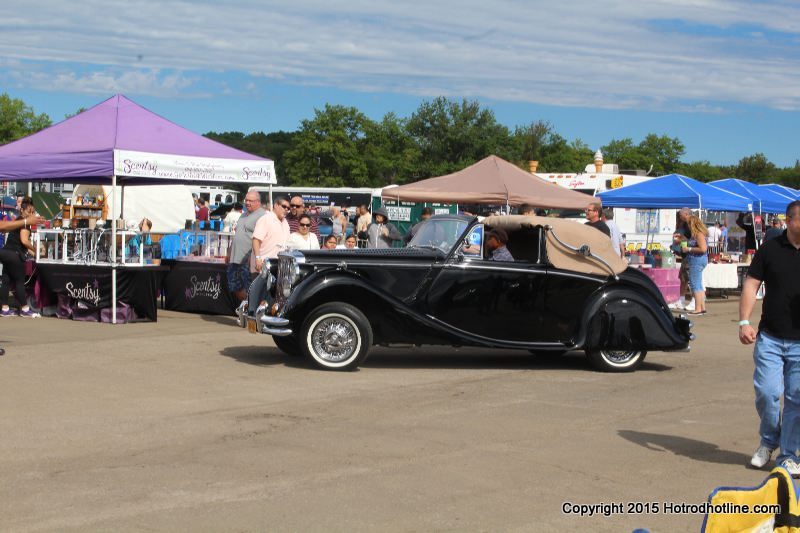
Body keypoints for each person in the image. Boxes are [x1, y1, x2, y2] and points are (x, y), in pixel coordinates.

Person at [739, 200, 800, 475]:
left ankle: (788, 455)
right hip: (771, 337)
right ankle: (768, 441)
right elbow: (752, 283)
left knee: (797, 398)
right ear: (789, 220)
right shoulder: (771, 248)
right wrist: (744, 321)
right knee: (767, 393)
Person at [0, 197, 45, 320]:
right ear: (23, 211)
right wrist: (36, 250)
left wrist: (34, 253)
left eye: (33, 212)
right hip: (14, 254)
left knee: (6, 281)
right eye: (30, 212)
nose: (32, 215)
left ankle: (4, 309)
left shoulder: (17, 221)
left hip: (5, 252)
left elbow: (23, 243)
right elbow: (24, 241)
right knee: (19, 281)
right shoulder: (25, 224)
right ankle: (25, 309)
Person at [226, 190, 265, 305]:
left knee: (250, 288)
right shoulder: (242, 215)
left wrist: (255, 256)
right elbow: (237, 234)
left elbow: (261, 239)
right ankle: (248, 307)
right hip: (235, 258)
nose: (247, 203)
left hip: (248, 260)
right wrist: (229, 252)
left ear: (258, 202)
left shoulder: (263, 216)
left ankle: (252, 311)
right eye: (246, 200)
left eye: (250, 201)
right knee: (234, 286)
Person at [252, 197, 291, 274]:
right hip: (263, 266)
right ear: (276, 205)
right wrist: (257, 258)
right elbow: (256, 240)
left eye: (288, 208)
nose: (286, 209)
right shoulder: (266, 219)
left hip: (279, 267)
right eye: (284, 206)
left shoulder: (285, 222)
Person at [683, 215, 709, 315]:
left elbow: (703, 249)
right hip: (698, 260)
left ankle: (698, 309)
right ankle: (701, 308)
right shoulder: (698, 234)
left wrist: (689, 249)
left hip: (696, 260)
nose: (688, 226)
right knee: (699, 284)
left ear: (692, 224)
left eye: (688, 224)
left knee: (695, 284)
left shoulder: (698, 234)